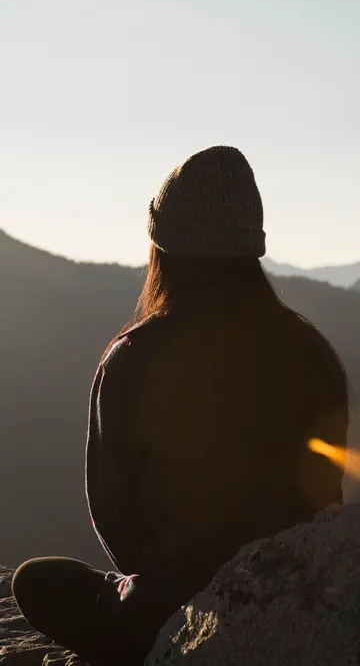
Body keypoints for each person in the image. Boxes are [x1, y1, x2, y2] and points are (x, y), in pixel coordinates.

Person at [12, 146, 348, 665]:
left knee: (37, 581)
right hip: (298, 587)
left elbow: (116, 517)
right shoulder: (311, 353)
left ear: (162, 248)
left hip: (172, 608)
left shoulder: (132, 359)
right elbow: (325, 496)